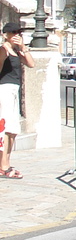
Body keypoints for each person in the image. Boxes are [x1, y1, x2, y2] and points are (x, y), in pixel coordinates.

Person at [0, 21, 34, 179]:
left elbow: (31, 64)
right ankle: (3, 166)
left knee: (12, 130)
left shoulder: (17, 51)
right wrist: (5, 48)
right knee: (5, 129)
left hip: (14, 90)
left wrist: (23, 48)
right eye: (12, 33)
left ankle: (6, 162)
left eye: (17, 33)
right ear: (5, 35)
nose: (15, 35)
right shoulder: (3, 50)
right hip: (4, 90)